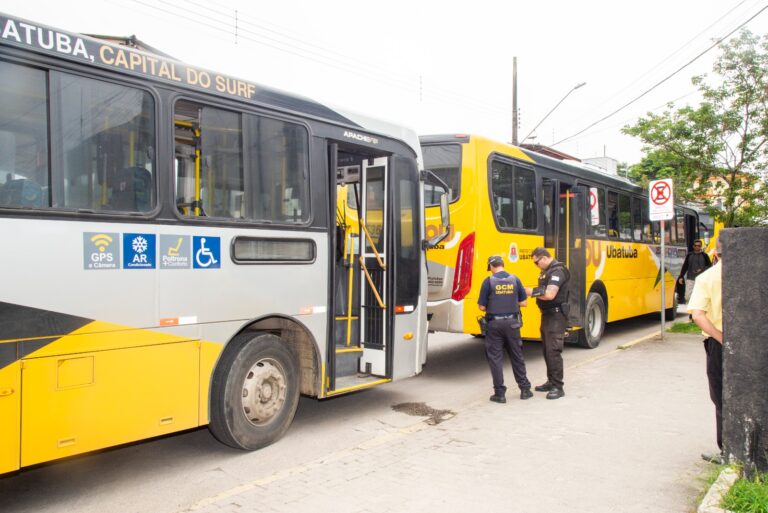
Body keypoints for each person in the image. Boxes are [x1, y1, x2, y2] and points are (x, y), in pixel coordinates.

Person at [688, 238, 724, 464]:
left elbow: (697, 315)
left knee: (720, 396)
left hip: (718, 343)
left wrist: (721, 337)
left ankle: (728, 450)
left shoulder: (707, 278)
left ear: (715, 254)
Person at [477, 255, 532, 403]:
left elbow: (482, 306)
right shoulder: (515, 279)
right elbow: (524, 303)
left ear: (491, 267)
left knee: (495, 358)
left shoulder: (488, 282)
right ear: (502, 264)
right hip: (513, 324)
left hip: (494, 325)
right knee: (517, 356)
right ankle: (525, 389)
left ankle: (499, 394)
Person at [525, 247, 570, 400]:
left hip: (556, 316)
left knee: (553, 350)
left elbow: (550, 294)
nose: (536, 265)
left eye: (536, 262)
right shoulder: (547, 271)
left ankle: (558, 386)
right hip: (548, 315)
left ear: (544, 258)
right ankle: (551, 381)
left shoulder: (558, 271)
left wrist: (527, 291)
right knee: (546, 350)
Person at [678, 239, 712, 304]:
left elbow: (709, 266)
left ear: (701, 246)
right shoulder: (689, 255)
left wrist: (702, 269)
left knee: (700, 297)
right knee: (688, 296)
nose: (697, 247)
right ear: (693, 246)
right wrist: (681, 276)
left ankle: (697, 312)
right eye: (695, 245)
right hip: (690, 279)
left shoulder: (705, 256)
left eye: (699, 246)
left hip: (701, 280)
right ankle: (691, 312)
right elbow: (685, 266)